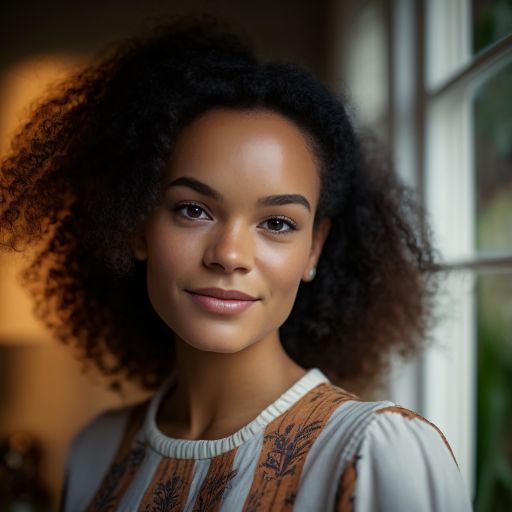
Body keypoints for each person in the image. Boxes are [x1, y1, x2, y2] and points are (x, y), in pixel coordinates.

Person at [0, 14, 473, 512]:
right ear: (136, 224)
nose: (228, 255)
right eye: (193, 210)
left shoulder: (377, 454)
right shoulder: (97, 450)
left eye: (277, 223)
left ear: (314, 248)